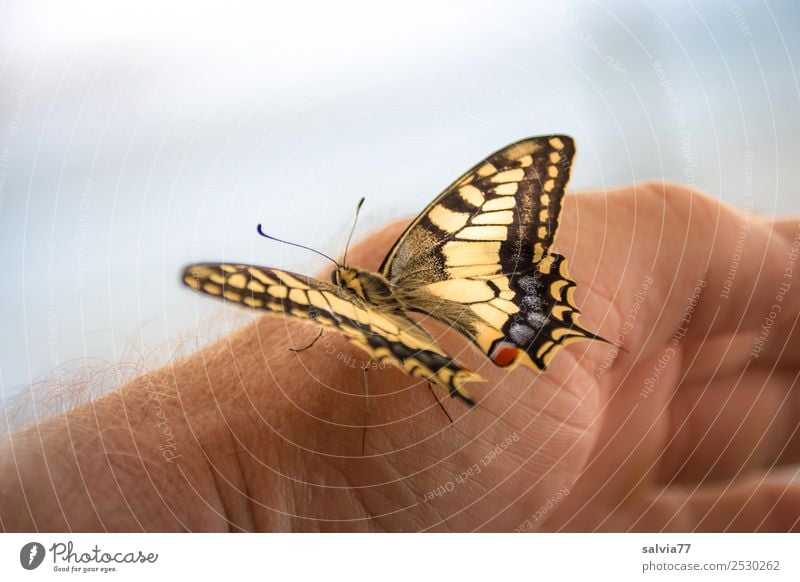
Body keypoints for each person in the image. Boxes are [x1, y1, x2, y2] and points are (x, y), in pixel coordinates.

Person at [2, 181, 798, 532]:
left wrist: (238, 494)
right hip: (474, 316)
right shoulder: (377, 280)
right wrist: (238, 488)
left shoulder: (362, 287)